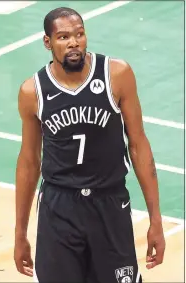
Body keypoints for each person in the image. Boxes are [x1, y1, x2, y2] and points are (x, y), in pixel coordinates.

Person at [14, 7, 165, 283]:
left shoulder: (116, 74)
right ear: (47, 42)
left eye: (79, 34)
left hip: (108, 202)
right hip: (58, 207)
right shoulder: (32, 92)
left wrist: (156, 220)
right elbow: (29, 162)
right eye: (63, 37)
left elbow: (139, 146)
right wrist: (20, 233)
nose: (73, 43)